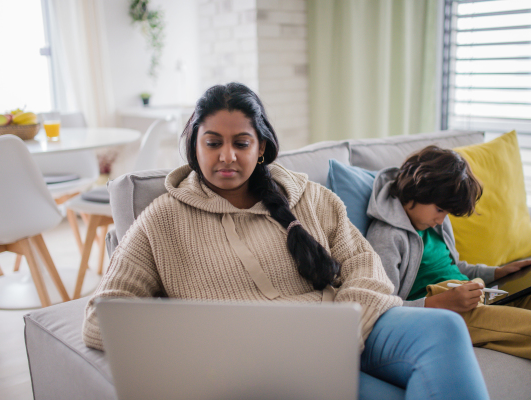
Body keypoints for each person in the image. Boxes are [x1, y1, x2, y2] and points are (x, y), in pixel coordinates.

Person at [82, 83, 490, 399]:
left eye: (241, 143)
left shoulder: (310, 197)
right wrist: (202, 339)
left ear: (260, 148)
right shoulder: (161, 220)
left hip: (350, 327)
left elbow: (366, 268)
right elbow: (102, 319)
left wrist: (344, 338)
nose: (227, 156)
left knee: (444, 328)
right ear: (194, 146)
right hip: (266, 362)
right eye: (213, 143)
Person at [366, 145, 531, 400]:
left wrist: (497, 272)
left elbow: (454, 268)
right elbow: (381, 308)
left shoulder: (431, 222)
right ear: (418, 190)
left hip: (475, 292)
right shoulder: (386, 237)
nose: (443, 219)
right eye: (441, 210)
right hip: (450, 310)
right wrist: (438, 303)